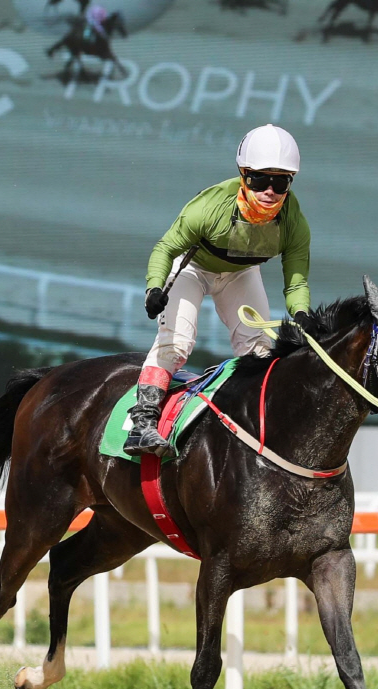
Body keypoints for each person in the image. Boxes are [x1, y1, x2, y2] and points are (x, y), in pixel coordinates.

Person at [124, 124, 314, 457]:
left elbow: (296, 282)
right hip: (193, 269)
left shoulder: (293, 222)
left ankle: (259, 425)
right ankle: (142, 424)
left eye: (280, 181)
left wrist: (301, 314)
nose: (270, 190)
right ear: (244, 175)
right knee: (177, 344)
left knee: (260, 352)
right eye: (260, 180)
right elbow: (166, 247)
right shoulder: (209, 207)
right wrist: (154, 287)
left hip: (240, 273)